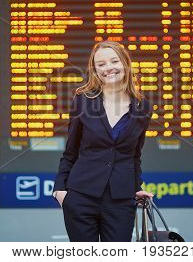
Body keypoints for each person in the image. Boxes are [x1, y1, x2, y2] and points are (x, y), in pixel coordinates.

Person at [52, 40, 154, 242]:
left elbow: (134, 155)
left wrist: (135, 187)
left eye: (114, 61)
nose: (109, 68)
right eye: (101, 64)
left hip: (121, 201)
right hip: (81, 196)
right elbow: (71, 151)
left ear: (125, 63)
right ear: (95, 70)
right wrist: (60, 191)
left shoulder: (143, 106)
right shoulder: (83, 101)